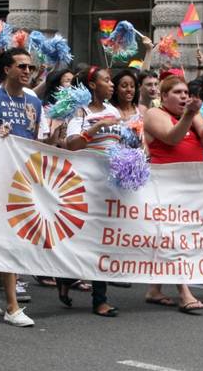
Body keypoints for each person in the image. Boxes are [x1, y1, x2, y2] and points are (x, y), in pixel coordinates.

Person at [0, 47, 43, 327]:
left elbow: (32, 141)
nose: (28, 71)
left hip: (24, 180)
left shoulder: (35, 103)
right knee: (10, 239)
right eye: (22, 66)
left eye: (30, 68)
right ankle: (12, 306)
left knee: (18, 239)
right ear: (6, 69)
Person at [143, 74, 203, 313]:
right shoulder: (155, 114)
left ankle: (154, 289)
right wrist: (190, 114)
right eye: (177, 92)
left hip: (191, 185)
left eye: (186, 93)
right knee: (174, 237)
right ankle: (184, 291)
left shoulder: (193, 114)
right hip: (166, 186)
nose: (183, 96)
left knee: (174, 236)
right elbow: (171, 137)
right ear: (163, 96)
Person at [61, 65, 121, 317]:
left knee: (102, 239)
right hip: (83, 185)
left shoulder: (114, 110)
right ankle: (64, 277)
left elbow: (120, 141)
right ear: (93, 85)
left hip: (108, 185)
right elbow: (72, 144)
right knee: (77, 236)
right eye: (107, 80)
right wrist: (96, 127)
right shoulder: (80, 112)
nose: (112, 85)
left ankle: (100, 299)